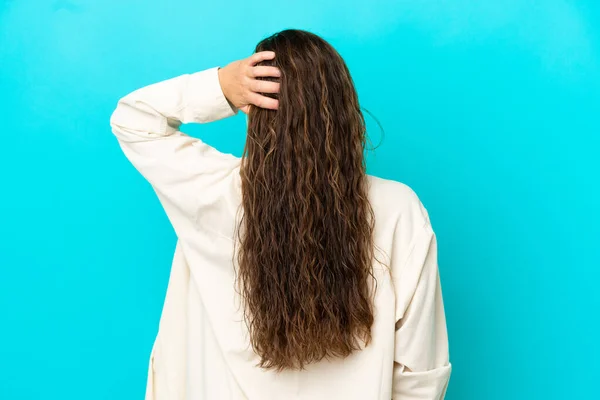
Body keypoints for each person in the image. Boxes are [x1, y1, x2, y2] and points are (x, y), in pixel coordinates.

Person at [109, 28, 451, 400]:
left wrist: (223, 85)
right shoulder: (399, 208)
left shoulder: (210, 192)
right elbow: (420, 374)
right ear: (344, 110)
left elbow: (134, 119)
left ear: (252, 111)